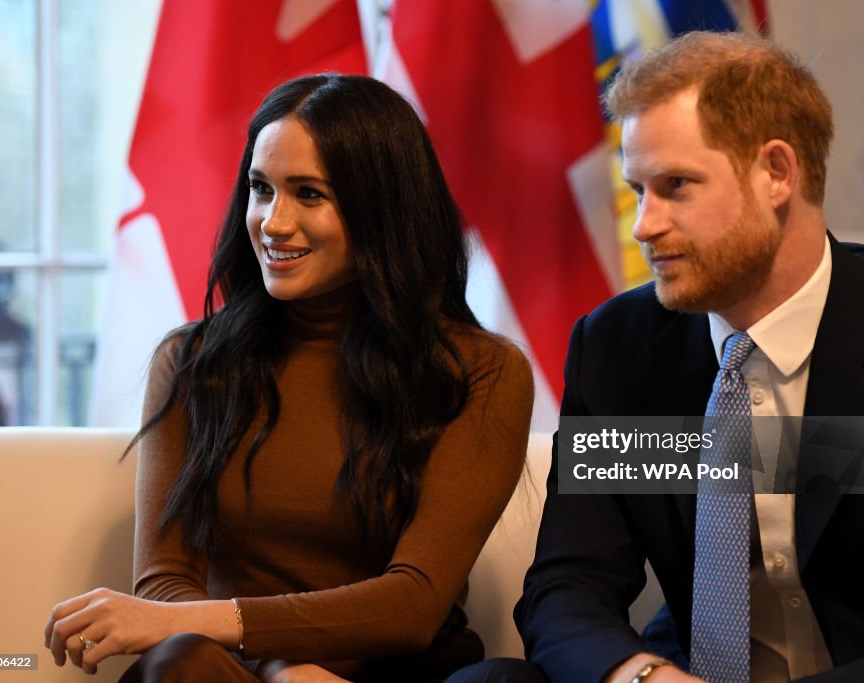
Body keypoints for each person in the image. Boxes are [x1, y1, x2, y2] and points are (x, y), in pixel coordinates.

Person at [449, 30, 864, 683]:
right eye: (637, 189)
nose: (643, 223)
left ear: (776, 172)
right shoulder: (620, 349)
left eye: (676, 185)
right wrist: (643, 676)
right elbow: (569, 585)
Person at [43, 74, 534, 683]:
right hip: (240, 673)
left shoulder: (482, 371)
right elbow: (164, 584)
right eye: (260, 189)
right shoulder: (194, 363)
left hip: (408, 673)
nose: (272, 223)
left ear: (384, 207)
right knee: (180, 661)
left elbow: (415, 602)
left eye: (308, 194)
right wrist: (281, 666)